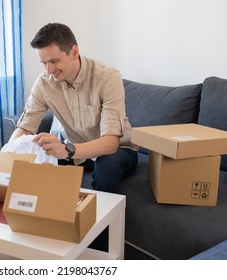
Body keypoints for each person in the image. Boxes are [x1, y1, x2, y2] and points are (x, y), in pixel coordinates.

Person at [9, 23, 138, 195]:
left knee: (107, 165)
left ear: (74, 52)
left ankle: (102, 221)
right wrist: (8, 155)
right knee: (35, 161)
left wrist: (66, 150)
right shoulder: (44, 83)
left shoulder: (107, 77)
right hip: (76, 152)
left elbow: (110, 143)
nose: (49, 70)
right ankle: (38, 218)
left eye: (54, 61)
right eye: (44, 63)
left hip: (119, 151)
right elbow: (25, 127)